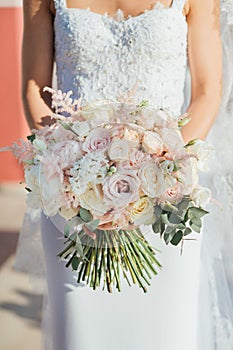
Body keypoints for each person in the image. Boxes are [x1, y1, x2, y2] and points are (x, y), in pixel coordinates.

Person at [18, 0, 233, 349]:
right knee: (82, 335)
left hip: (165, 198)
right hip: (75, 205)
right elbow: (35, 89)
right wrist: (75, 171)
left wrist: (162, 170)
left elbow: (207, 92)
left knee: (166, 335)